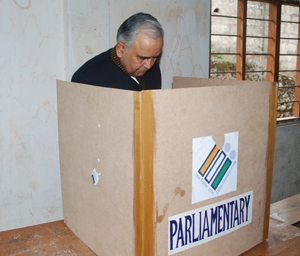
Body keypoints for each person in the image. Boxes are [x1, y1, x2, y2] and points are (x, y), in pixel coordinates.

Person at [71, 12, 164, 91]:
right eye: (143, 58)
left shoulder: (153, 69)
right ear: (121, 49)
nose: (149, 65)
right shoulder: (87, 79)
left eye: (155, 57)